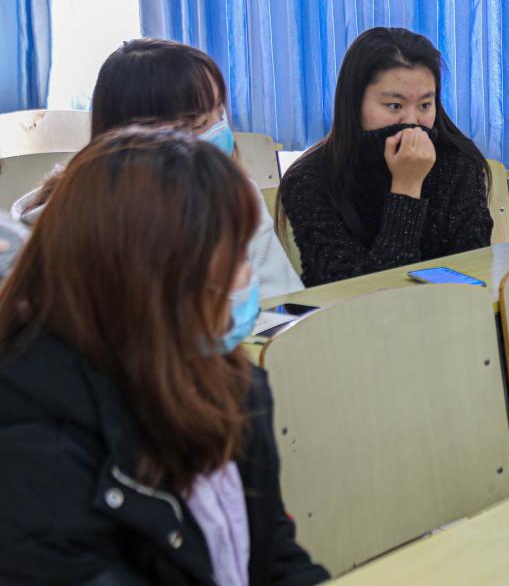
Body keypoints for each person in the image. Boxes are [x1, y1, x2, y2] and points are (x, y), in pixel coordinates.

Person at [0, 126, 328, 584]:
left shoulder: (231, 384)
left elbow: (274, 557)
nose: (250, 280)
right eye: (234, 261)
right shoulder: (34, 445)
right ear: (152, 281)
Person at [10, 38, 302, 300]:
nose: (219, 131)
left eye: (220, 113)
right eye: (198, 124)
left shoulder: (237, 195)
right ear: (136, 137)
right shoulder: (75, 224)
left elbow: (282, 299)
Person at [279, 27, 493, 287]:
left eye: (425, 105)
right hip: (349, 313)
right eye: (395, 106)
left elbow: (471, 275)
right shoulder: (309, 179)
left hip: (446, 311)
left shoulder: (459, 163)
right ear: (354, 104)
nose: (413, 121)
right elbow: (363, 294)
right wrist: (406, 188)